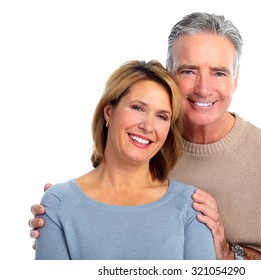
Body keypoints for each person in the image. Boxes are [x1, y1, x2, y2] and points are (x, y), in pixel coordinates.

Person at [30, 12, 261, 260]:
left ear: (236, 80)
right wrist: (65, 215)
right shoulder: (143, 144)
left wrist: (229, 254)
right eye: (188, 71)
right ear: (169, 74)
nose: (203, 88)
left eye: (219, 73)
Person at [34, 60, 216, 260]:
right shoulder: (59, 203)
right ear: (109, 112)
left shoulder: (190, 206)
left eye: (162, 117)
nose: (148, 126)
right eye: (138, 108)